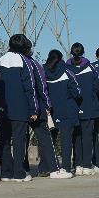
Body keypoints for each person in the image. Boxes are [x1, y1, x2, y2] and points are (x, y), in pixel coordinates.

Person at [0, 34, 39, 183]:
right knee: (20, 140)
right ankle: (19, 173)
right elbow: (30, 87)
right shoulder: (24, 61)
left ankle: (6, 173)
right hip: (20, 106)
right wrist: (33, 109)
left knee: (4, 139)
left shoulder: (1, 59)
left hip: (3, 105)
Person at [23, 47, 70, 179]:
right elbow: (41, 88)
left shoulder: (39, 67)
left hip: (21, 107)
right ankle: (54, 169)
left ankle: (24, 170)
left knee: (21, 139)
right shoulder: (36, 66)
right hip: (45, 108)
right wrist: (47, 104)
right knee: (47, 139)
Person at [68, 42, 99, 176]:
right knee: (87, 137)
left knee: (76, 137)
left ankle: (77, 165)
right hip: (89, 106)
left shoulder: (66, 68)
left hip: (73, 108)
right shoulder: (90, 67)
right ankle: (87, 166)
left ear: (72, 53)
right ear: (83, 52)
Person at [44, 49, 81, 175]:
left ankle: (46, 168)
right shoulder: (67, 71)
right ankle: (66, 168)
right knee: (66, 141)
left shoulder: (43, 72)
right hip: (68, 110)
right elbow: (77, 91)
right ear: (60, 58)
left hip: (51, 111)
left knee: (49, 141)